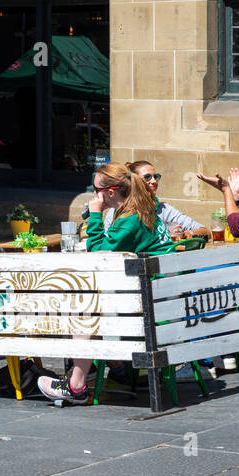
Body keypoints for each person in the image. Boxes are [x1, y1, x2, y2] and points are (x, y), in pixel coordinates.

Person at [39, 162, 175, 404]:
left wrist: (94, 214)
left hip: (150, 305)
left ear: (110, 193)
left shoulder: (130, 219)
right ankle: (109, 370)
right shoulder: (145, 207)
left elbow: (98, 252)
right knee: (87, 305)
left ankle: (77, 385)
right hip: (162, 295)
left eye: (95, 190)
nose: (94, 195)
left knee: (83, 311)